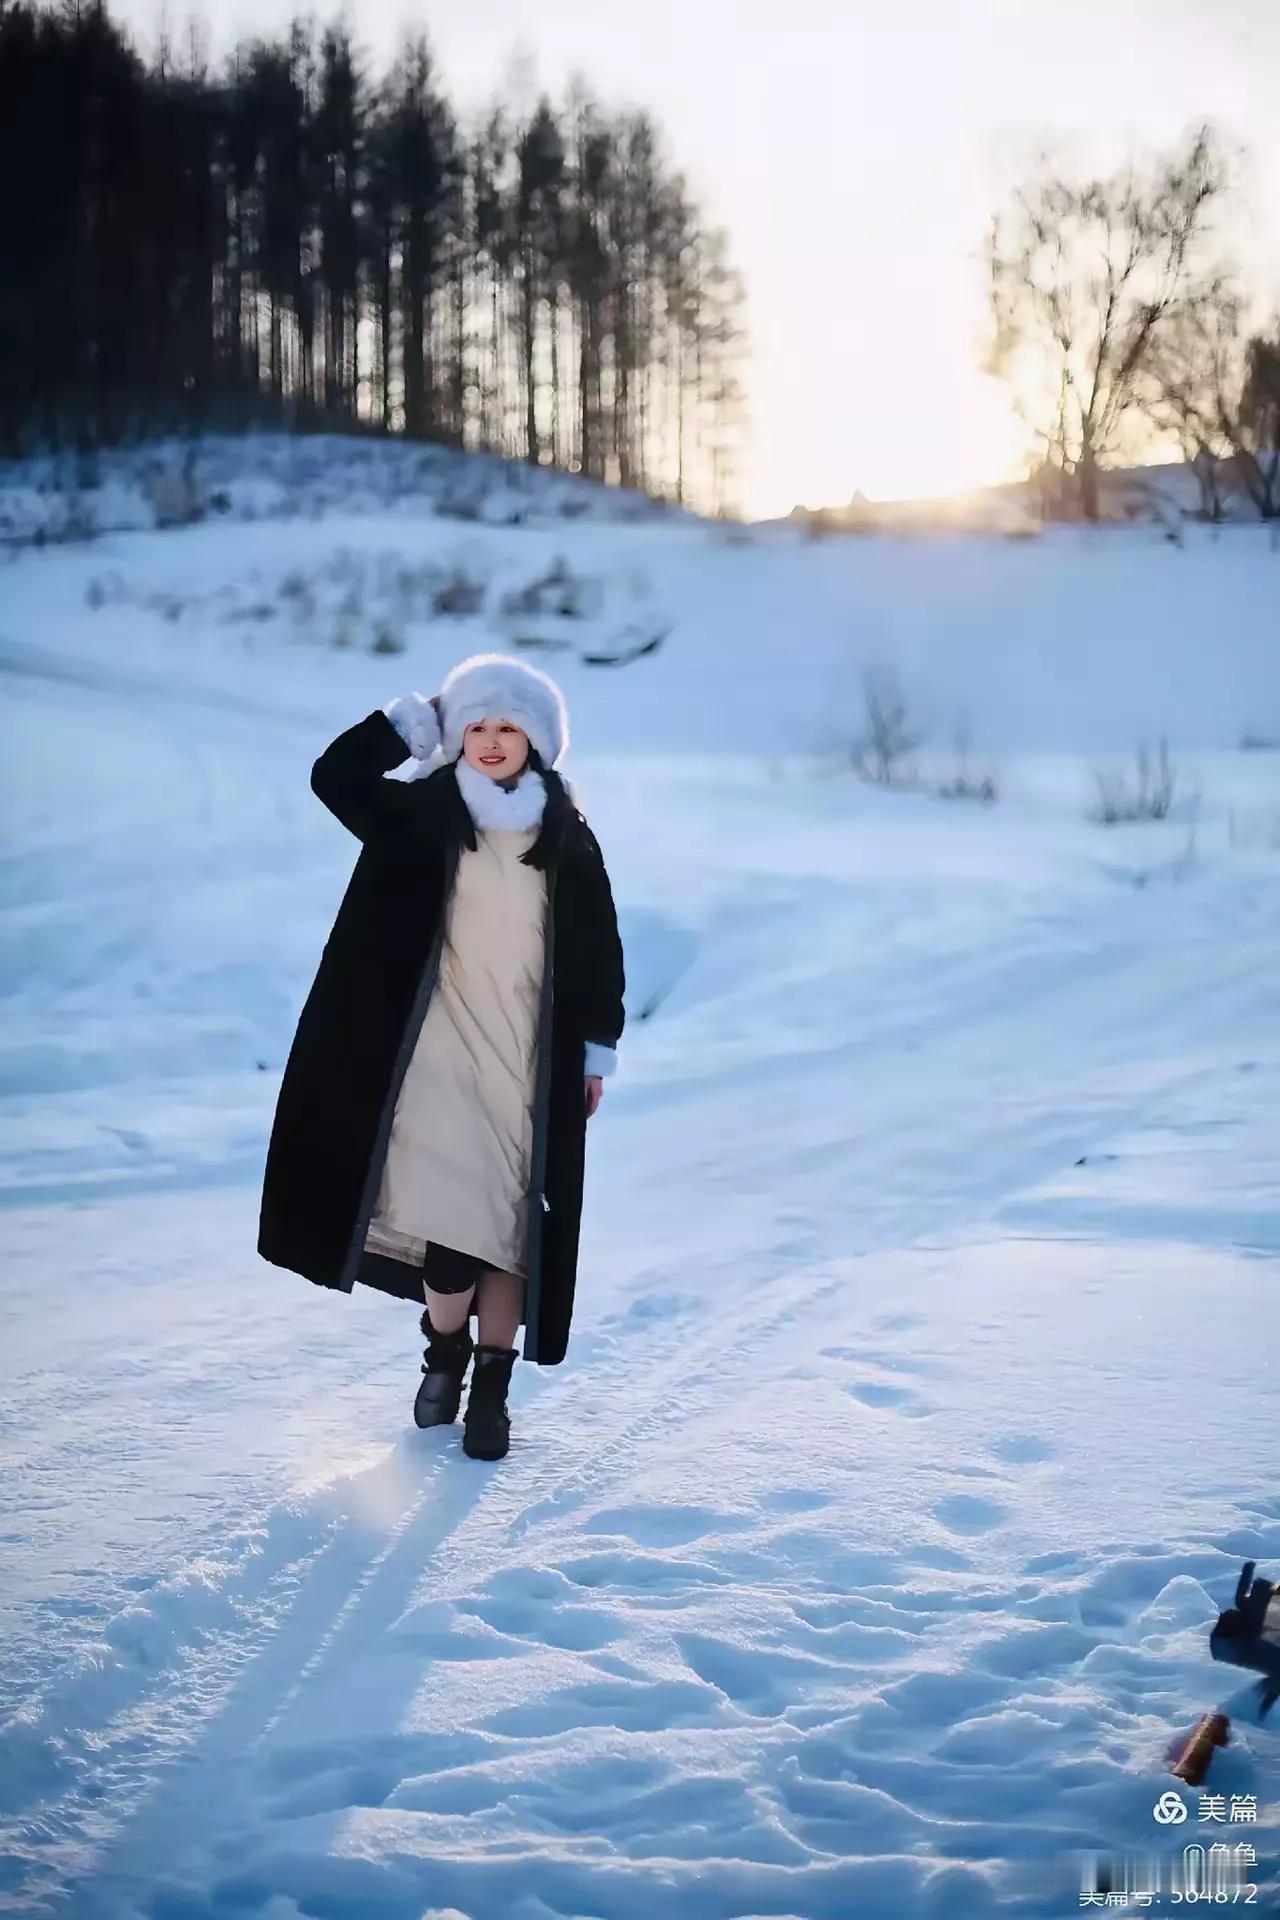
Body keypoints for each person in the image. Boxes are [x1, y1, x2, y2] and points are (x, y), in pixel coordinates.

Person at [257, 652, 626, 1461]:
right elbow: (336, 777)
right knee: (455, 1230)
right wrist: (410, 722)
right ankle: (443, 1351)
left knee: (513, 1228)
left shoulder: (566, 834)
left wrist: (596, 1050)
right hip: (436, 1054)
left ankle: (490, 1393)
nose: (492, 741)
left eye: (509, 727)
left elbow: (599, 952)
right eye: (477, 725)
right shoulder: (422, 815)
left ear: (539, 740)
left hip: (529, 1064)